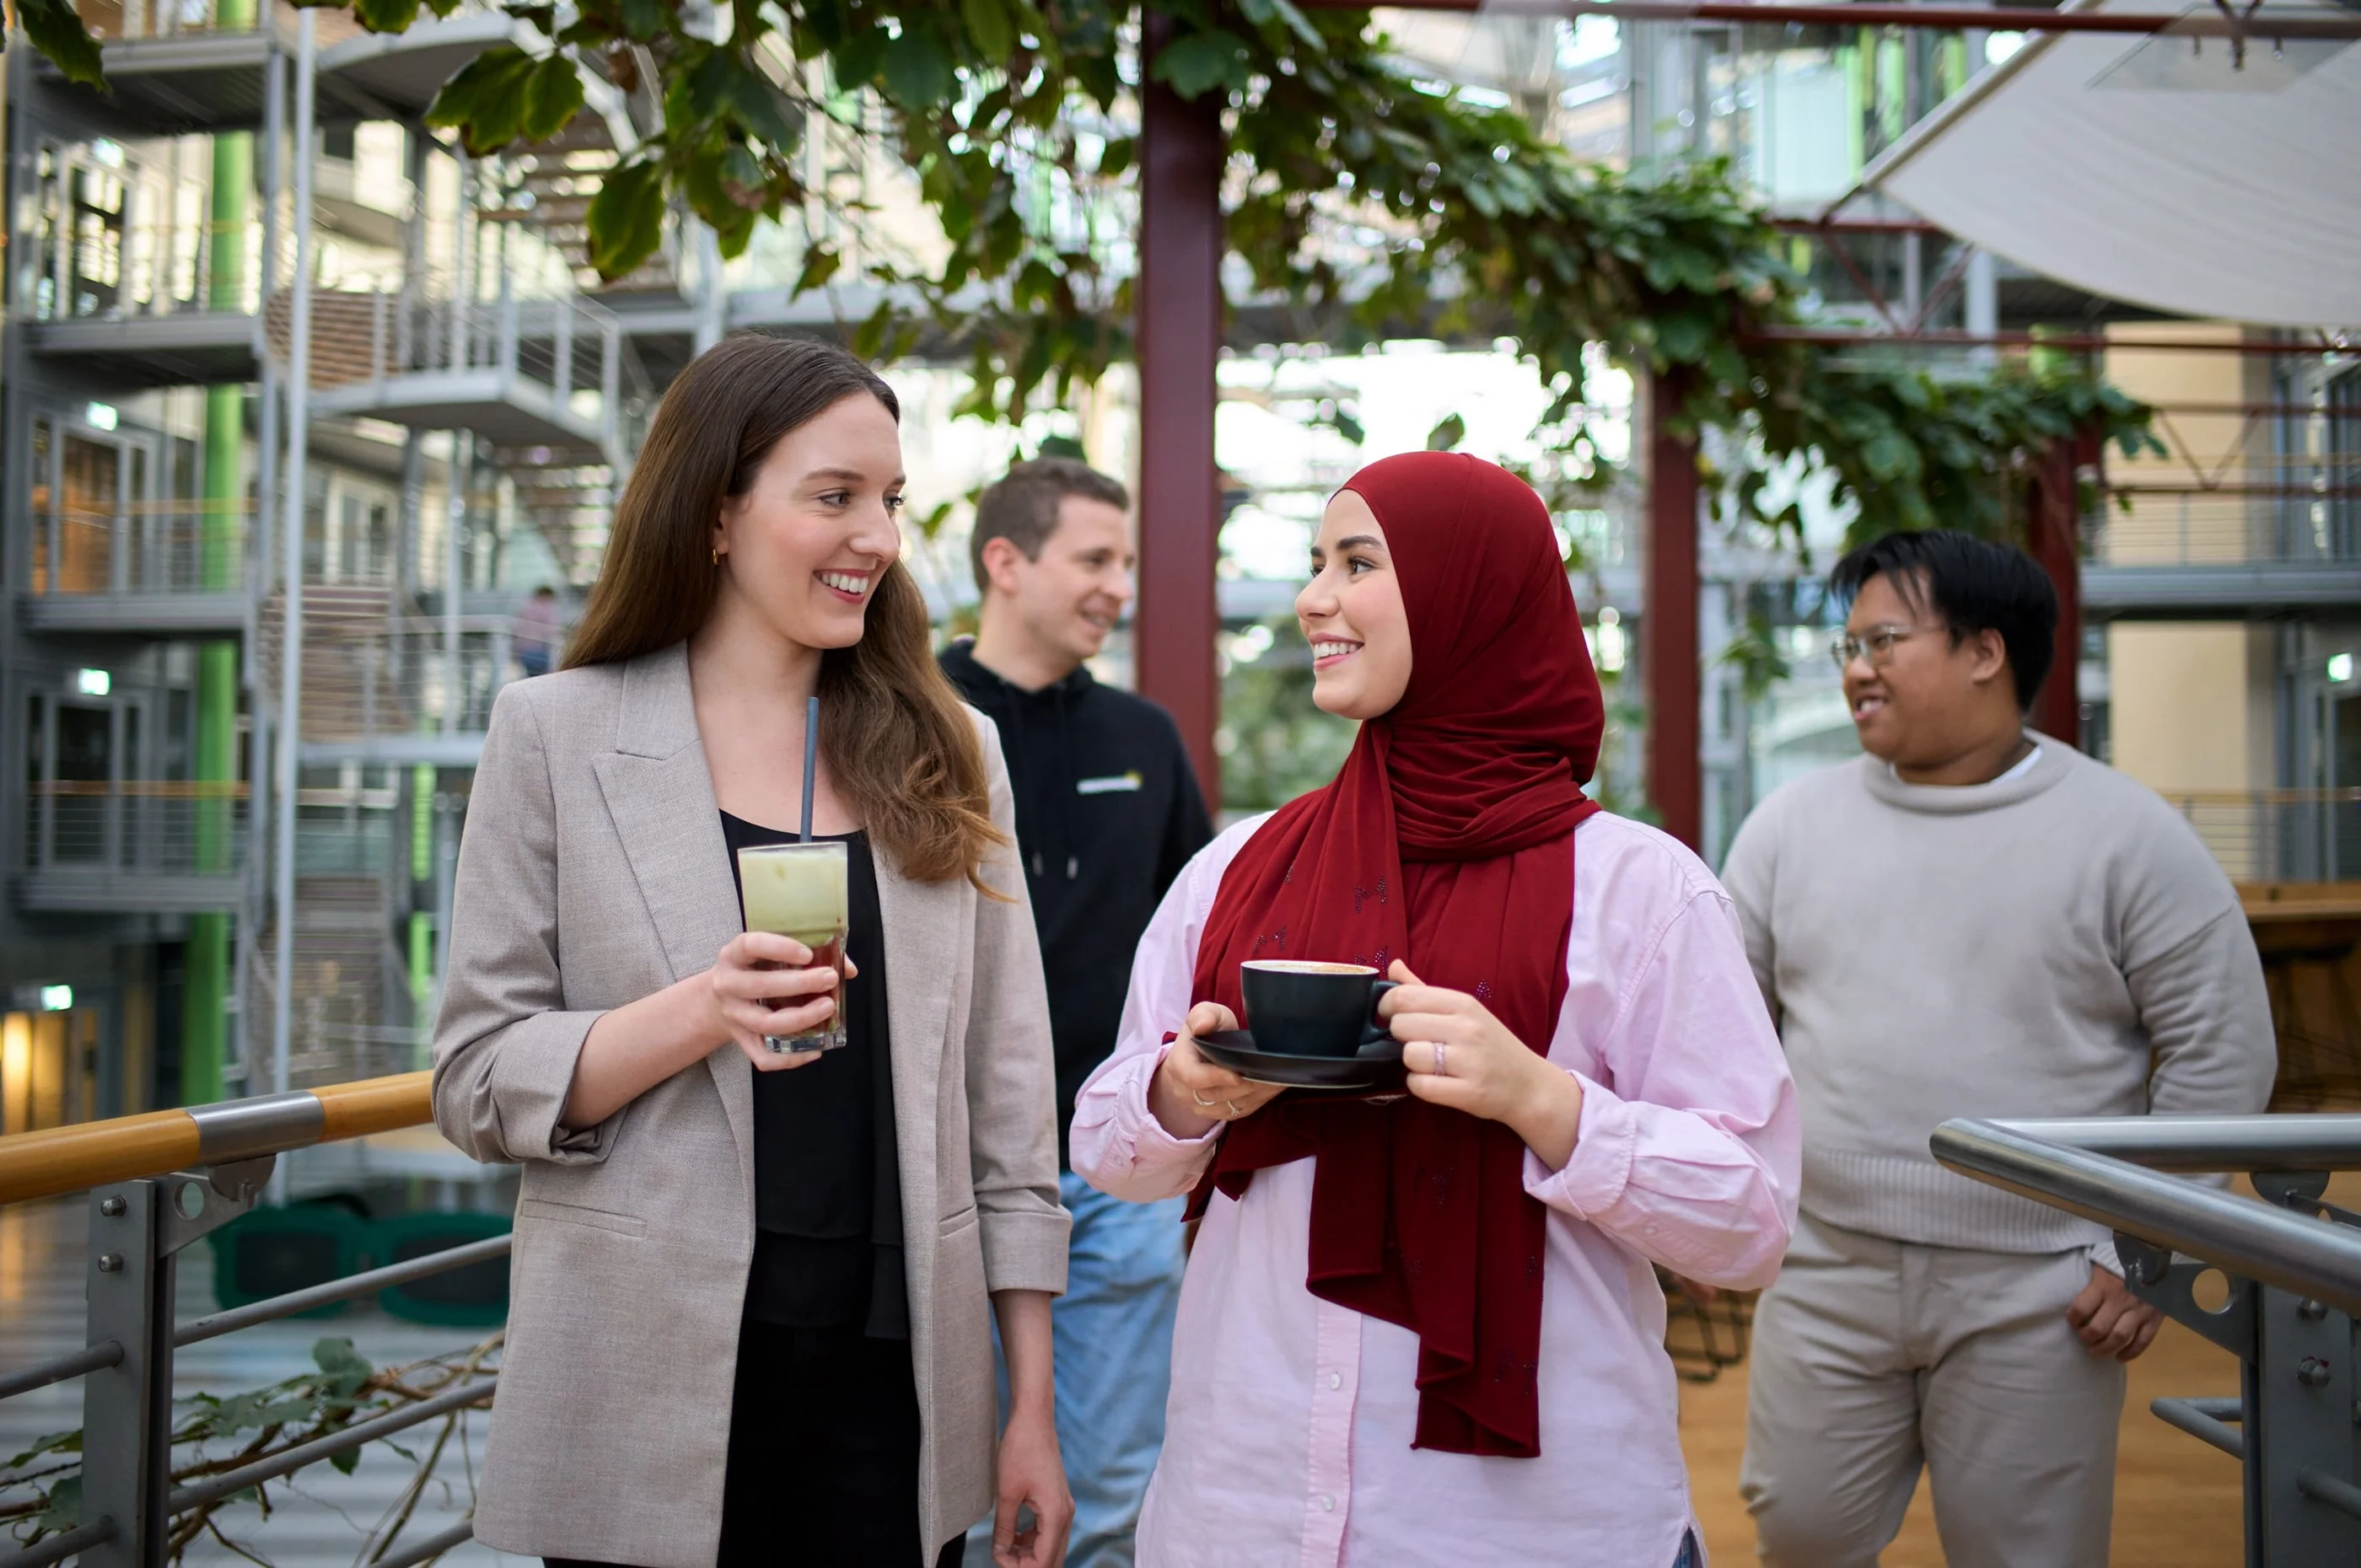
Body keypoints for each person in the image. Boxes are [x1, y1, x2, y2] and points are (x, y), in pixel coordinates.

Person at [1070, 450, 1799, 1567]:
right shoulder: (1236, 872)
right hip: (1242, 1510)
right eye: (1317, 563)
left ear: (1472, 595)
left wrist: (1544, 1101)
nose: (1313, 596)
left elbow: (1749, 1223)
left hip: (1530, 1528)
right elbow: (1110, 1149)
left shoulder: (1640, 890)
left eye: (1357, 562)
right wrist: (1182, 1093)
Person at [431, 334, 1073, 1568]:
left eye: (888, 501)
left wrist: (1031, 1409)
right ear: (717, 514)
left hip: (896, 1391)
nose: (876, 537)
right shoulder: (555, 733)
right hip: (642, 1382)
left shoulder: (954, 749)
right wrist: (697, 1012)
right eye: (833, 498)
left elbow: (1009, 1112)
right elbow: (471, 1078)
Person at [1724, 529, 2277, 1568]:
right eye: (1846, 644)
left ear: (1986, 651)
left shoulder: (2126, 834)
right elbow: (1727, 1034)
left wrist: (2147, 1245)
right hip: (1826, 1264)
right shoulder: (1787, 828)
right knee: (1798, 1535)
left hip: (2043, 1287)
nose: (1855, 667)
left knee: (2027, 1555)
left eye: (1884, 639)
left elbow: (2221, 1050)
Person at [938, 458, 1212, 1567]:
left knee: (1106, 1495)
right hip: (945, 1179)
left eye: (1126, 563)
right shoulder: (911, 724)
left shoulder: (1145, 741)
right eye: (1094, 560)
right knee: (950, 1494)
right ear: (1006, 563)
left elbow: (1197, 934)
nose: (1119, 586)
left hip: (1115, 1175)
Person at [515, 583, 562, 677]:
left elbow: (519, 632)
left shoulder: (526, 610)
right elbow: (552, 631)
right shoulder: (548, 610)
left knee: (529, 679)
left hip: (524, 652)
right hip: (541, 652)